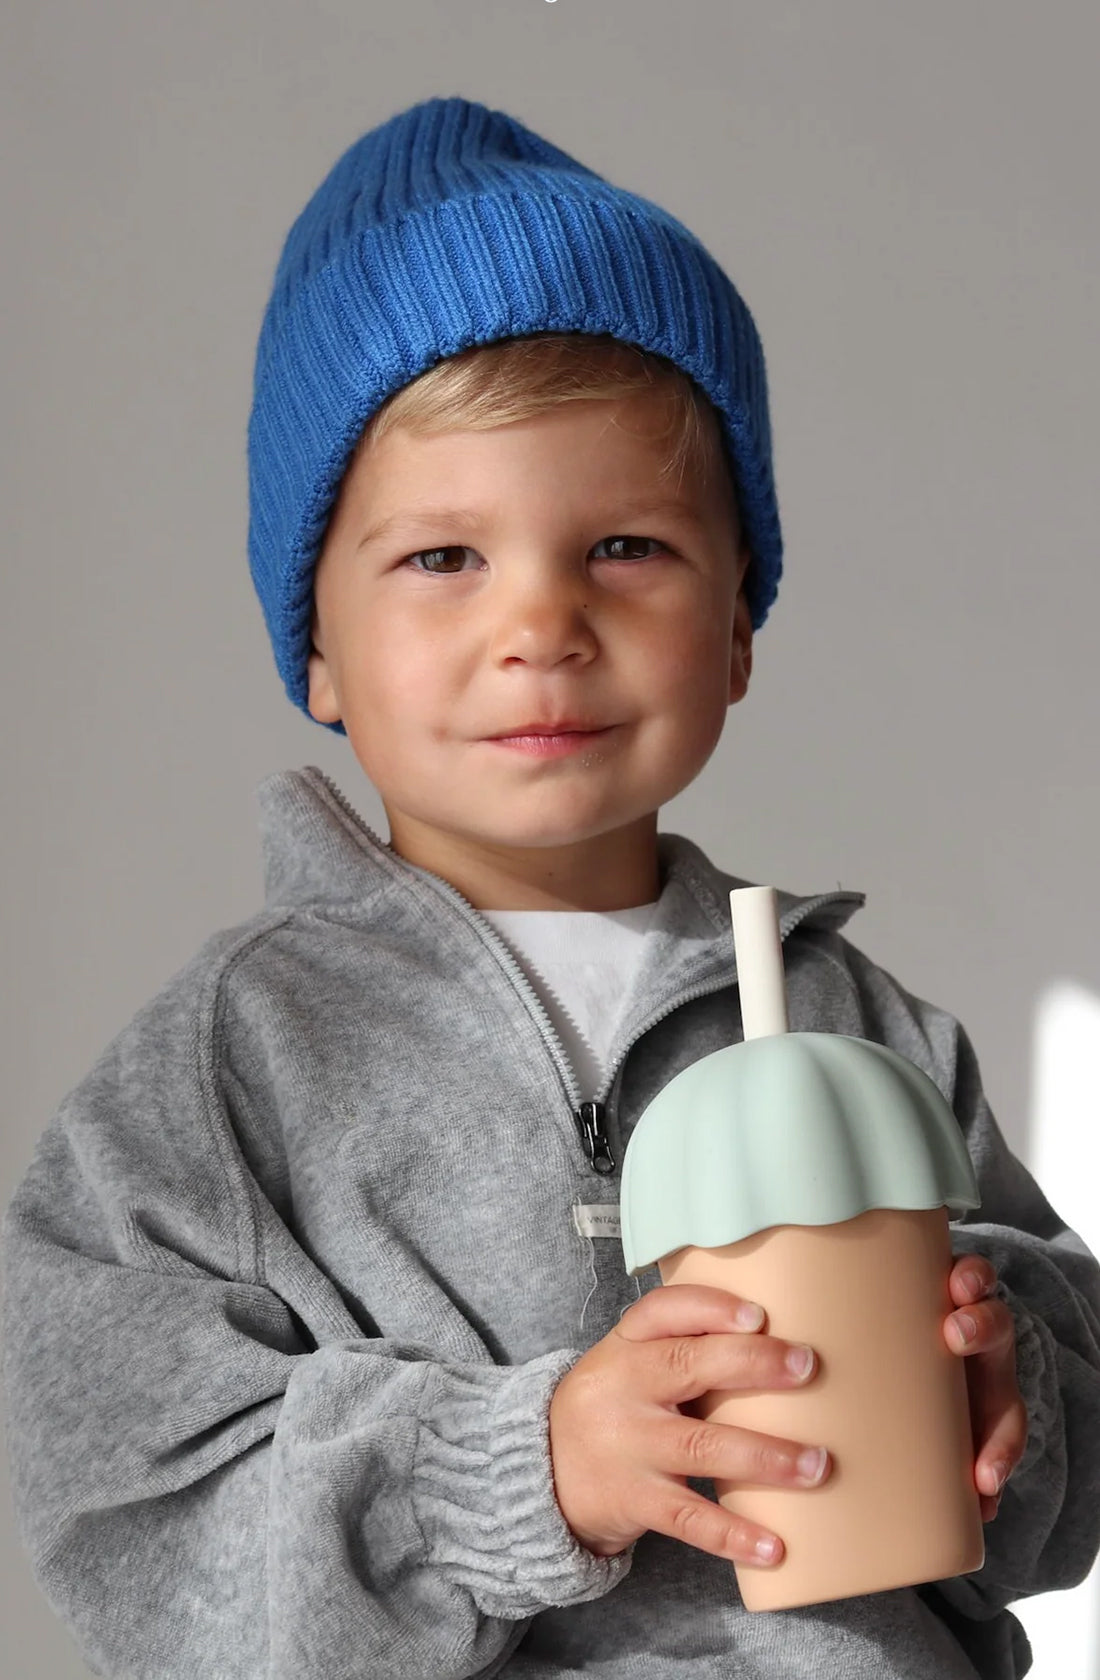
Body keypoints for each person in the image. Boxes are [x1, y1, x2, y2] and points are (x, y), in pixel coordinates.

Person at [3, 93, 1098, 1680]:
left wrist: (1023, 1396)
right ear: (317, 645)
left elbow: (1072, 1414)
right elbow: (127, 1502)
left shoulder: (862, 1028)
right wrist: (524, 1470)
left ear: (737, 627)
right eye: (445, 558)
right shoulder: (232, 1067)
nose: (542, 624)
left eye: (629, 548)